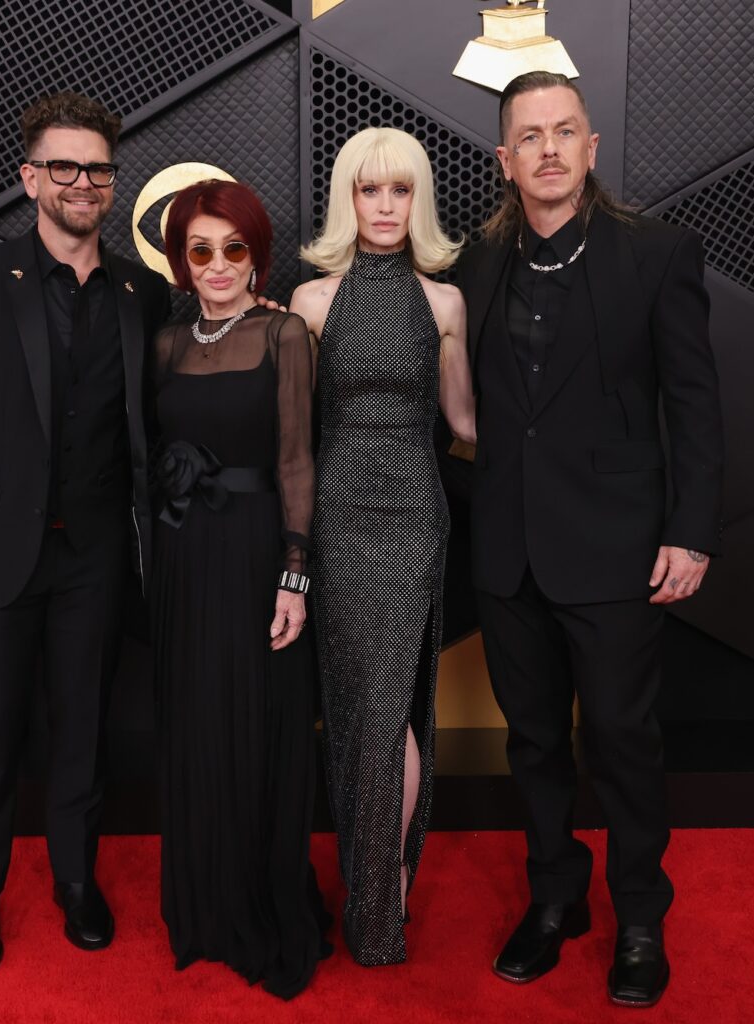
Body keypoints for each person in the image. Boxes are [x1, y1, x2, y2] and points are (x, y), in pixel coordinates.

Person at [456, 71, 723, 1006]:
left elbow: (693, 403)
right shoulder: (475, 263)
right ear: (505, 158)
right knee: (532, 742)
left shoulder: (656, 254)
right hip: (506, 548)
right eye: (528, 137)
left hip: (617, 546)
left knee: (620, 739)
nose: (549, 150)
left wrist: (691, 532)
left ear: (592, 146)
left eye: (564, 131)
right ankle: (555, 900)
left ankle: (640, 917)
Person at [0, 91, 171, 975]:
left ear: (111, 180)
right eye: (63, 167)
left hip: (98, 554)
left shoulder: (145, 292)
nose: (82, 182)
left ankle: (74, 881)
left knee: (83, 727)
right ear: (30, 180)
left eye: (96, 168)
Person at [292, 127, 475, 966]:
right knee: (360, 703)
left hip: (412, 517)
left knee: (391, 702)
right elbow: (293, 431)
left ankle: (382, 884)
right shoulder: (311, 302)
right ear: (349, 200)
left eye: (401, 190)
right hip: (338, 515)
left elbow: (465, 425)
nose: (387, 206)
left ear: (419, 200)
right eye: (371, 191)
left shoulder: (444, 305)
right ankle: (379, 882)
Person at [148, 179, 326, 999]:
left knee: (259, 722)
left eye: (234, 249)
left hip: (258, 552)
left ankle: (260, 905)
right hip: (185, 554)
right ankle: (205, 907)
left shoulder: (286, 333)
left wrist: (295, 572)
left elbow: (296, 459)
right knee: (196, 722)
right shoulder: (166, 344)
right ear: (181, 262)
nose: (217, 265)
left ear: (255, 253)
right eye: (200, 251)